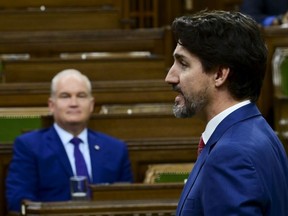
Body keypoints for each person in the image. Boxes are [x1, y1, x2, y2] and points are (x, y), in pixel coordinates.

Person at [165, 10, 288, 215]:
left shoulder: (231, 154)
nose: (170, 77)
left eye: (183, 64)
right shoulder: (260, 132)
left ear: (220, 75)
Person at [6, 69, 133, 212]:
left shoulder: (115, 149)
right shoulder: (29, 146)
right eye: (65, 96)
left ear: (91, 105)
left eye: (81, 96)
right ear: (52, 105)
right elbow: (18, 199)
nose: (74, 103)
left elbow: (126, 201)